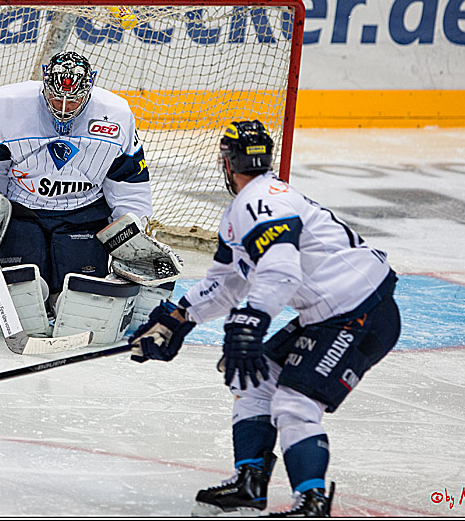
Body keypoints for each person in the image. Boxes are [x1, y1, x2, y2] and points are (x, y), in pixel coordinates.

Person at [130, 120, 402, 517]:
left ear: (228, 162)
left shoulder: (260, 202)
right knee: (256, 382)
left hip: (361, 312)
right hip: (332, 312)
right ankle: (250, 482)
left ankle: (310, 501)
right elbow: (226, 284)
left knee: (294, 402)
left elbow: (280, 272)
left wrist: (247, 326)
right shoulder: (250, 205)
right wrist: (178, 317)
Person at [0, 51, 178, 344]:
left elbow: (128, 183)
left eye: (72, 100)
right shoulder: (9, 104)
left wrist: (130, 234)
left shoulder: (117, 114)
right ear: (44, 83)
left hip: (83, 215)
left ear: (90, 89)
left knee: (80, 299)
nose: (62, 108)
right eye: (55, 97)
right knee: (24, 291)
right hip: (23, 211)